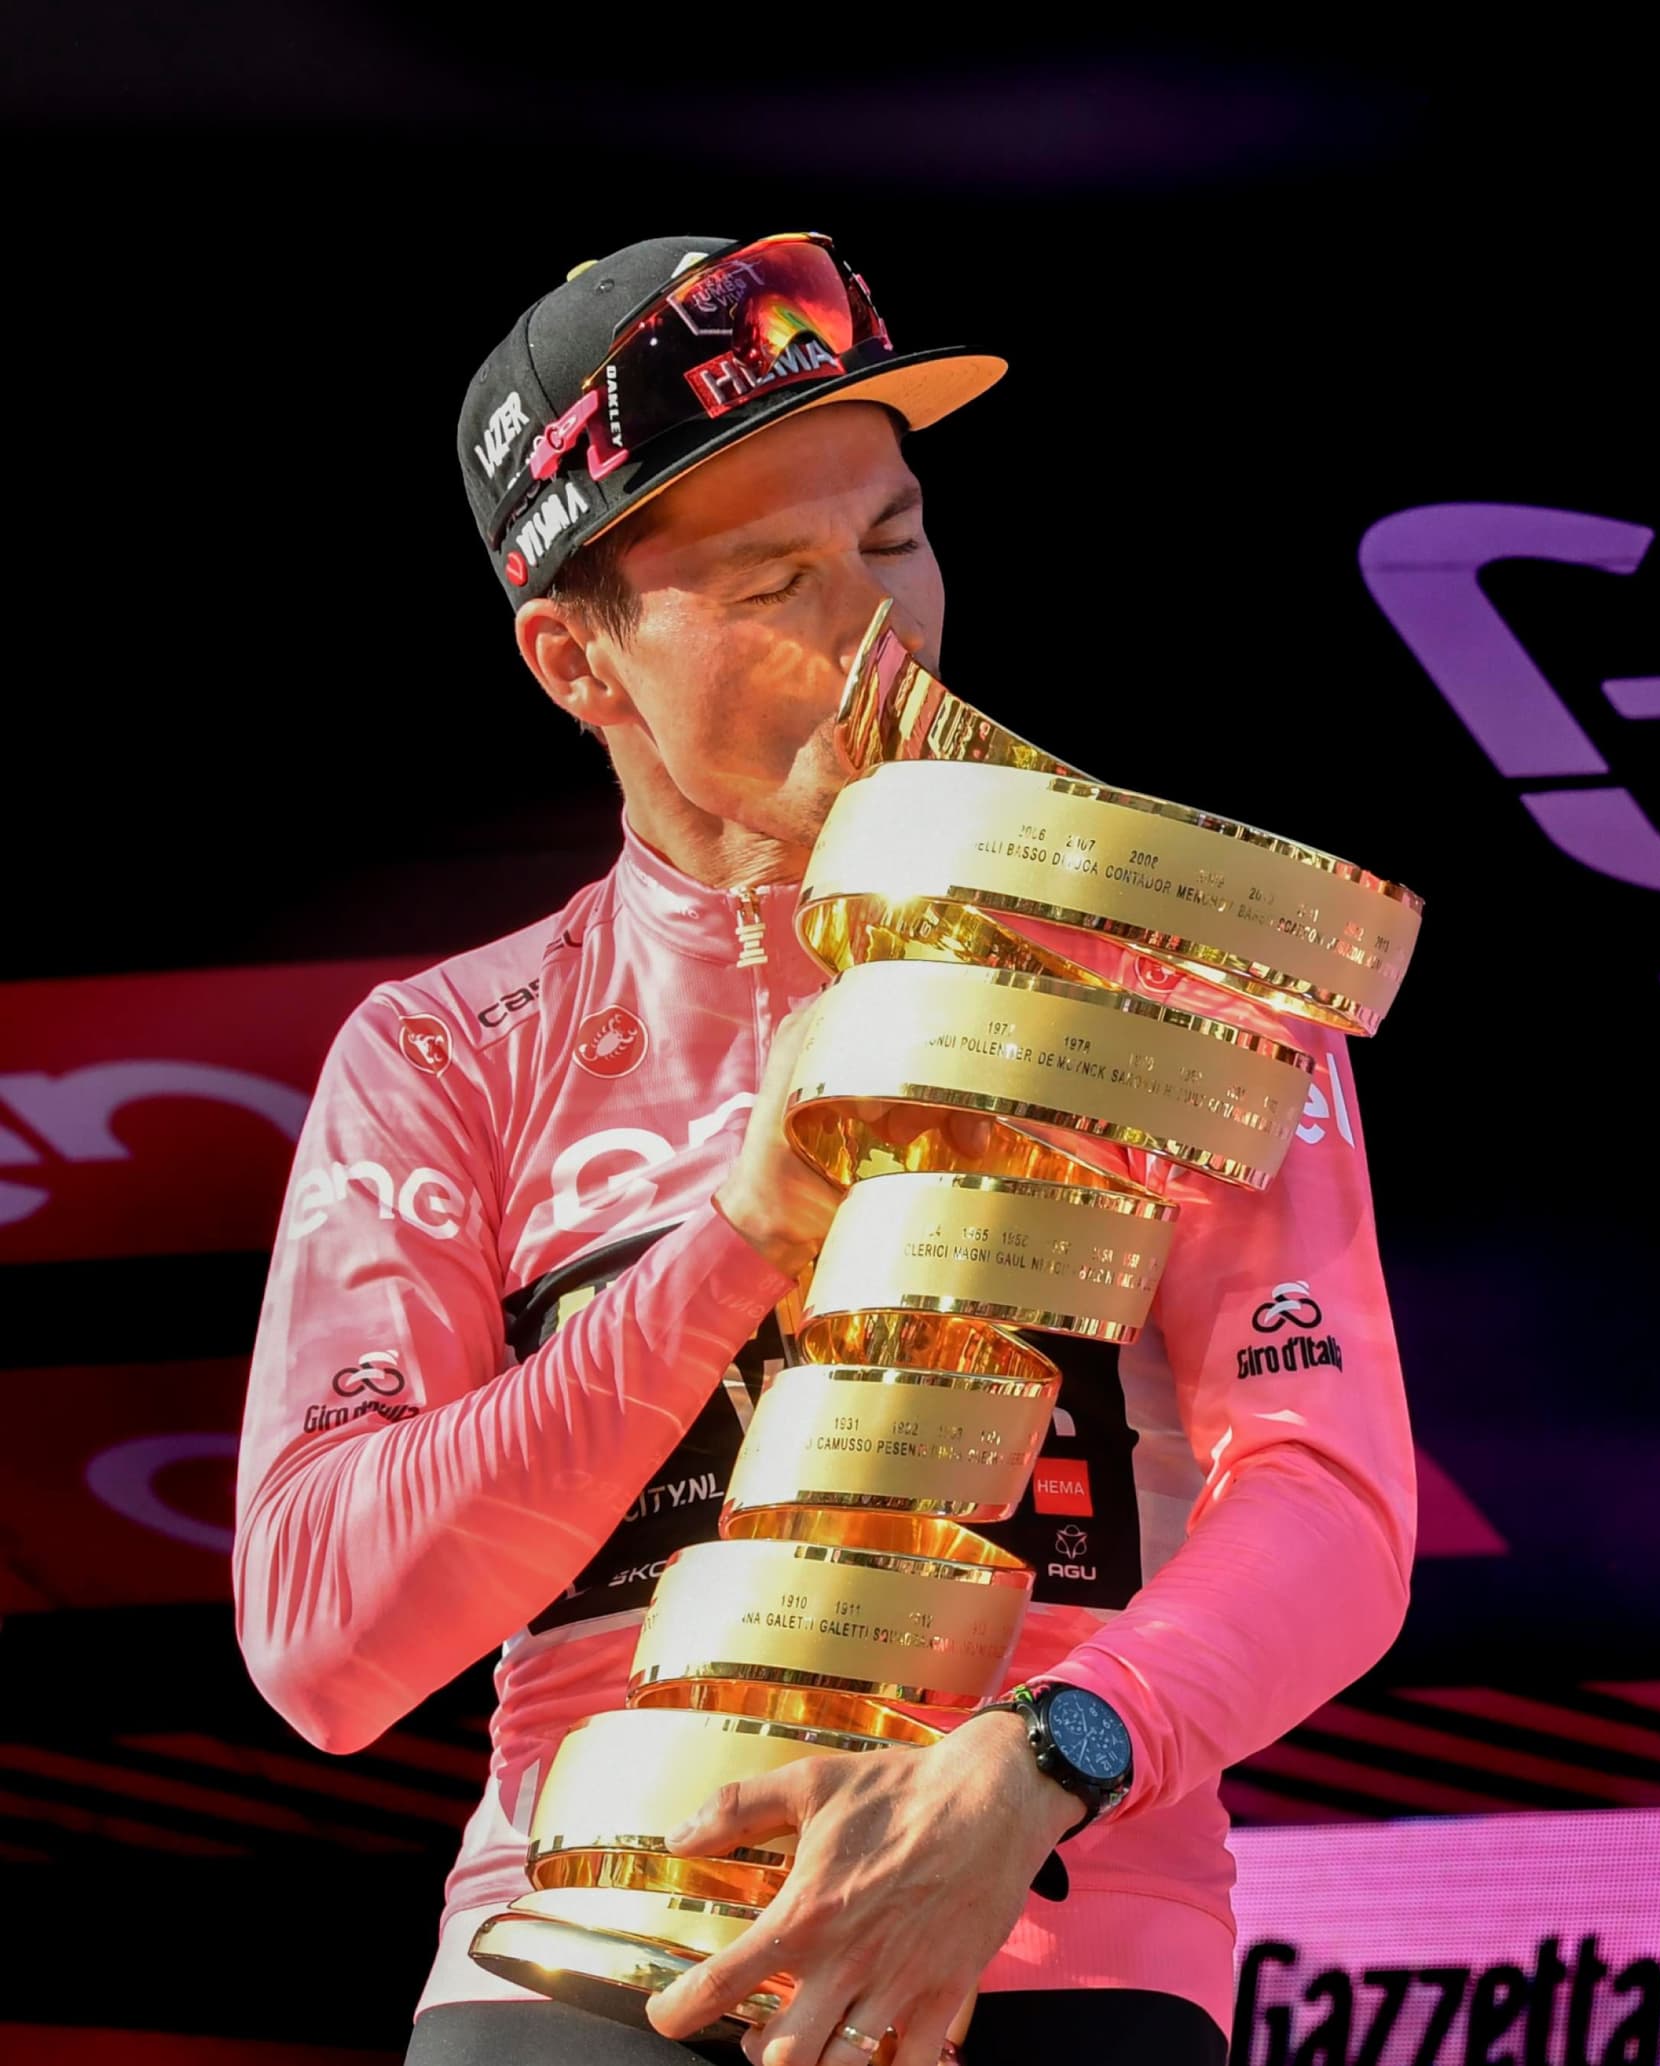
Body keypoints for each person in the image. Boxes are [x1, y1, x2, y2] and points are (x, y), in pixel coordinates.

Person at [235, 232, 1417, 2066]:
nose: (881, 627)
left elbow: (1332, 1508)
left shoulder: (1175, 977)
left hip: (1054, 1927)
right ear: (575, 660)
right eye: (774, 576)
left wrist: (1049, 1758)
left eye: (890, 538)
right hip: (581, 1945)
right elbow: (326, 1641)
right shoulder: (446, 1053)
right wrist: (740, 1236)